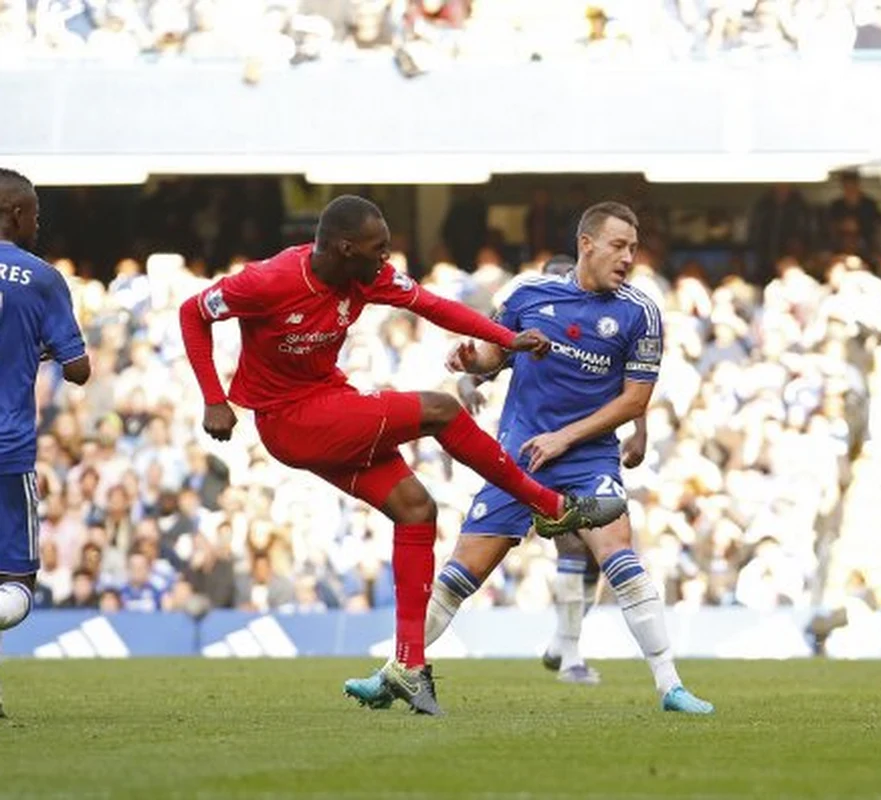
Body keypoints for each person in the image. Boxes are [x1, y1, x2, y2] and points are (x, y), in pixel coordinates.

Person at [179, 195, 627, 716]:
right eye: (379, 249)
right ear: (346, 249)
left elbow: (435, 306)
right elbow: (193, 313)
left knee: (416, 509)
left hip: (328, 400)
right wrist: (214, 397)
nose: (387, 259)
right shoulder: (268, 280)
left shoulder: (366, 276)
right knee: (440, 409)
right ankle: (551, 507)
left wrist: (507, 339)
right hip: (290, 420)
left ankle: (410, 667)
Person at [346, 202, 712, 714]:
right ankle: (395, 672)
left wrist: (566, 438)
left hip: (587, 460)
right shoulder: (527, 295)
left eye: (632, 247)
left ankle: (670, 685)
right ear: (586, 244)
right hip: (516, 459)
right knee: (459, 574)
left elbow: (634, 399)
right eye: (618, 245)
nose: (628, 257)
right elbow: (497, 354)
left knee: (620, 554)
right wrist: (476, 359)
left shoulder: (640, 311)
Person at [454, 253, 648, 684]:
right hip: (531, 453)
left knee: (593, 556)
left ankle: (565, 642)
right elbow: (483, 364)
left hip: (586, 450)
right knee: (571, 547)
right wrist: (467, 383)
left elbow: (629, 385)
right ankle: (572, 653)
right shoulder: (529, 318)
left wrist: (640, 428)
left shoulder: (606, 322)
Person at [0, 168, 91, 718]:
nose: (38, 223)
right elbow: (78, 369)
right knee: (15, 582)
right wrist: (42, 348)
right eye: (34, 213)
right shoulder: (39, 277)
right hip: (7, 449)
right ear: (15, 214)